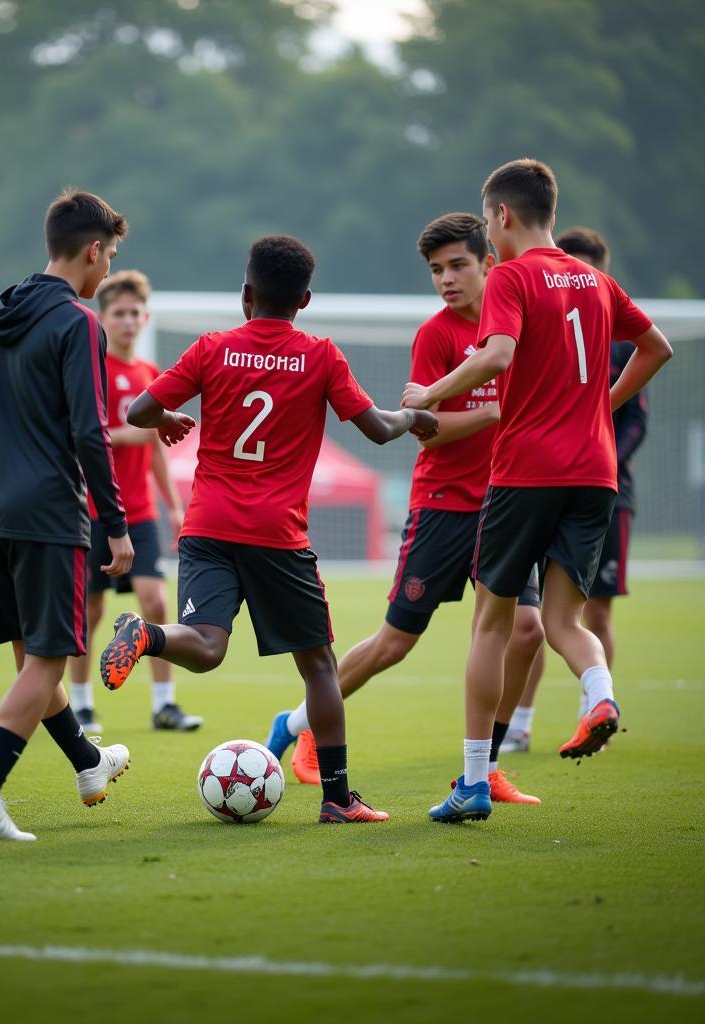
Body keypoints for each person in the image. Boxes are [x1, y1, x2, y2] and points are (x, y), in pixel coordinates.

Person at [99, 235, 439, 825]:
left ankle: (148, 635)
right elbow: (380, 430)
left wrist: (172, 416)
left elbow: (136, 413)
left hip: (208, 526)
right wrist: (416, 415)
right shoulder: (321, 355)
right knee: (319, 668)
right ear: (304, 299)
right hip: (277, 536)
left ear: (246, 294)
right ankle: (336, 799)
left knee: (205, 648)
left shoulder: (211, 349)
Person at [402, 159, 671, 823]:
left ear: (502, 216)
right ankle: (598, 694)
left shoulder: (514, 276)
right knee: (563, 621)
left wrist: (425, 397)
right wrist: (600, 407)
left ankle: (472, 783)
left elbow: (495, 355)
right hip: (595, 473)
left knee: (490, 622)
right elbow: (658, 347)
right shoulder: (598, 281)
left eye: (487, 223)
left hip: (526, 470)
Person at [264, 213, 544, 807]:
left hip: (507, 502)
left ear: (489, 263)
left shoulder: (515, 324)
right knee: (395, 643)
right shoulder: (437, 335)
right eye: (436, 270)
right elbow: (426, 431)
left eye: (457, 265)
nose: (446, 279)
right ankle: (297, 726)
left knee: (526, 629)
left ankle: (484, 766)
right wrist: (494, 413)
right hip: (443, 506)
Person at [0, 189, 136, 842]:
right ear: (90, 250)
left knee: (32, 657)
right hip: (48, 515)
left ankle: (88, 764)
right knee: (48, 661)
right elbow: (90, 432)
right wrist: (116, 523)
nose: (107, 268)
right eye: (107, 256)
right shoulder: (80, 323)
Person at [501, 226, 648, 754]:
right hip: (592, 482)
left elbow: (637, 421)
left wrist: (597, 419)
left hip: (548, 478)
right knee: (551, 620)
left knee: (513, 617)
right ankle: (548, 712)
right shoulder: (556, 313)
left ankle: (478, 768)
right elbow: (664, 347)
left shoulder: (614, 334)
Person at [67, 270, 202, 733]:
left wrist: (173, 503)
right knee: (91, 610)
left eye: (133, 313)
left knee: (155, 602)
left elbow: (154, 448)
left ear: (144, 318)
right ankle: (81, 704)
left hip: (139, 511)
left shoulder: (150, 376)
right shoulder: (93, 368)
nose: (127, 321)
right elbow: (86, 435)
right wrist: (129, 432)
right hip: (92, 512)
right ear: (102, 318)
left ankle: (165, 703)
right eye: (117, 313)